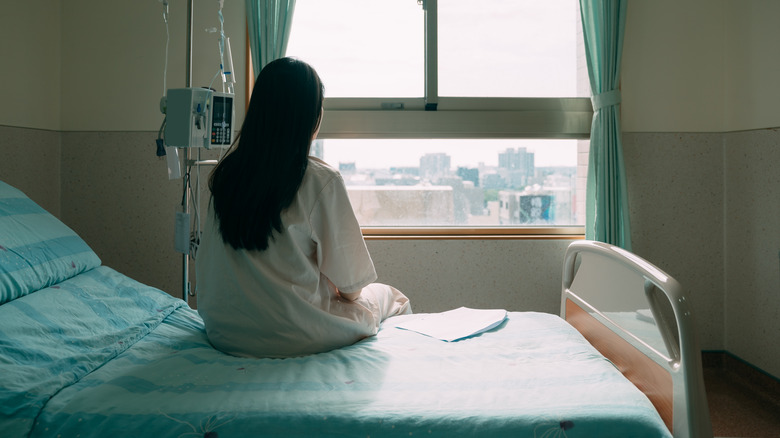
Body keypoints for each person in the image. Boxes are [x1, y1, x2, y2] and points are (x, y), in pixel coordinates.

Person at [195, 57, 411, 358]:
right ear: (312, 117)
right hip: (293, 334)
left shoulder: (226, 176)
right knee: (392, 298)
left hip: (225, 332)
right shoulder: (319, 180)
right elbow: (352, 288)